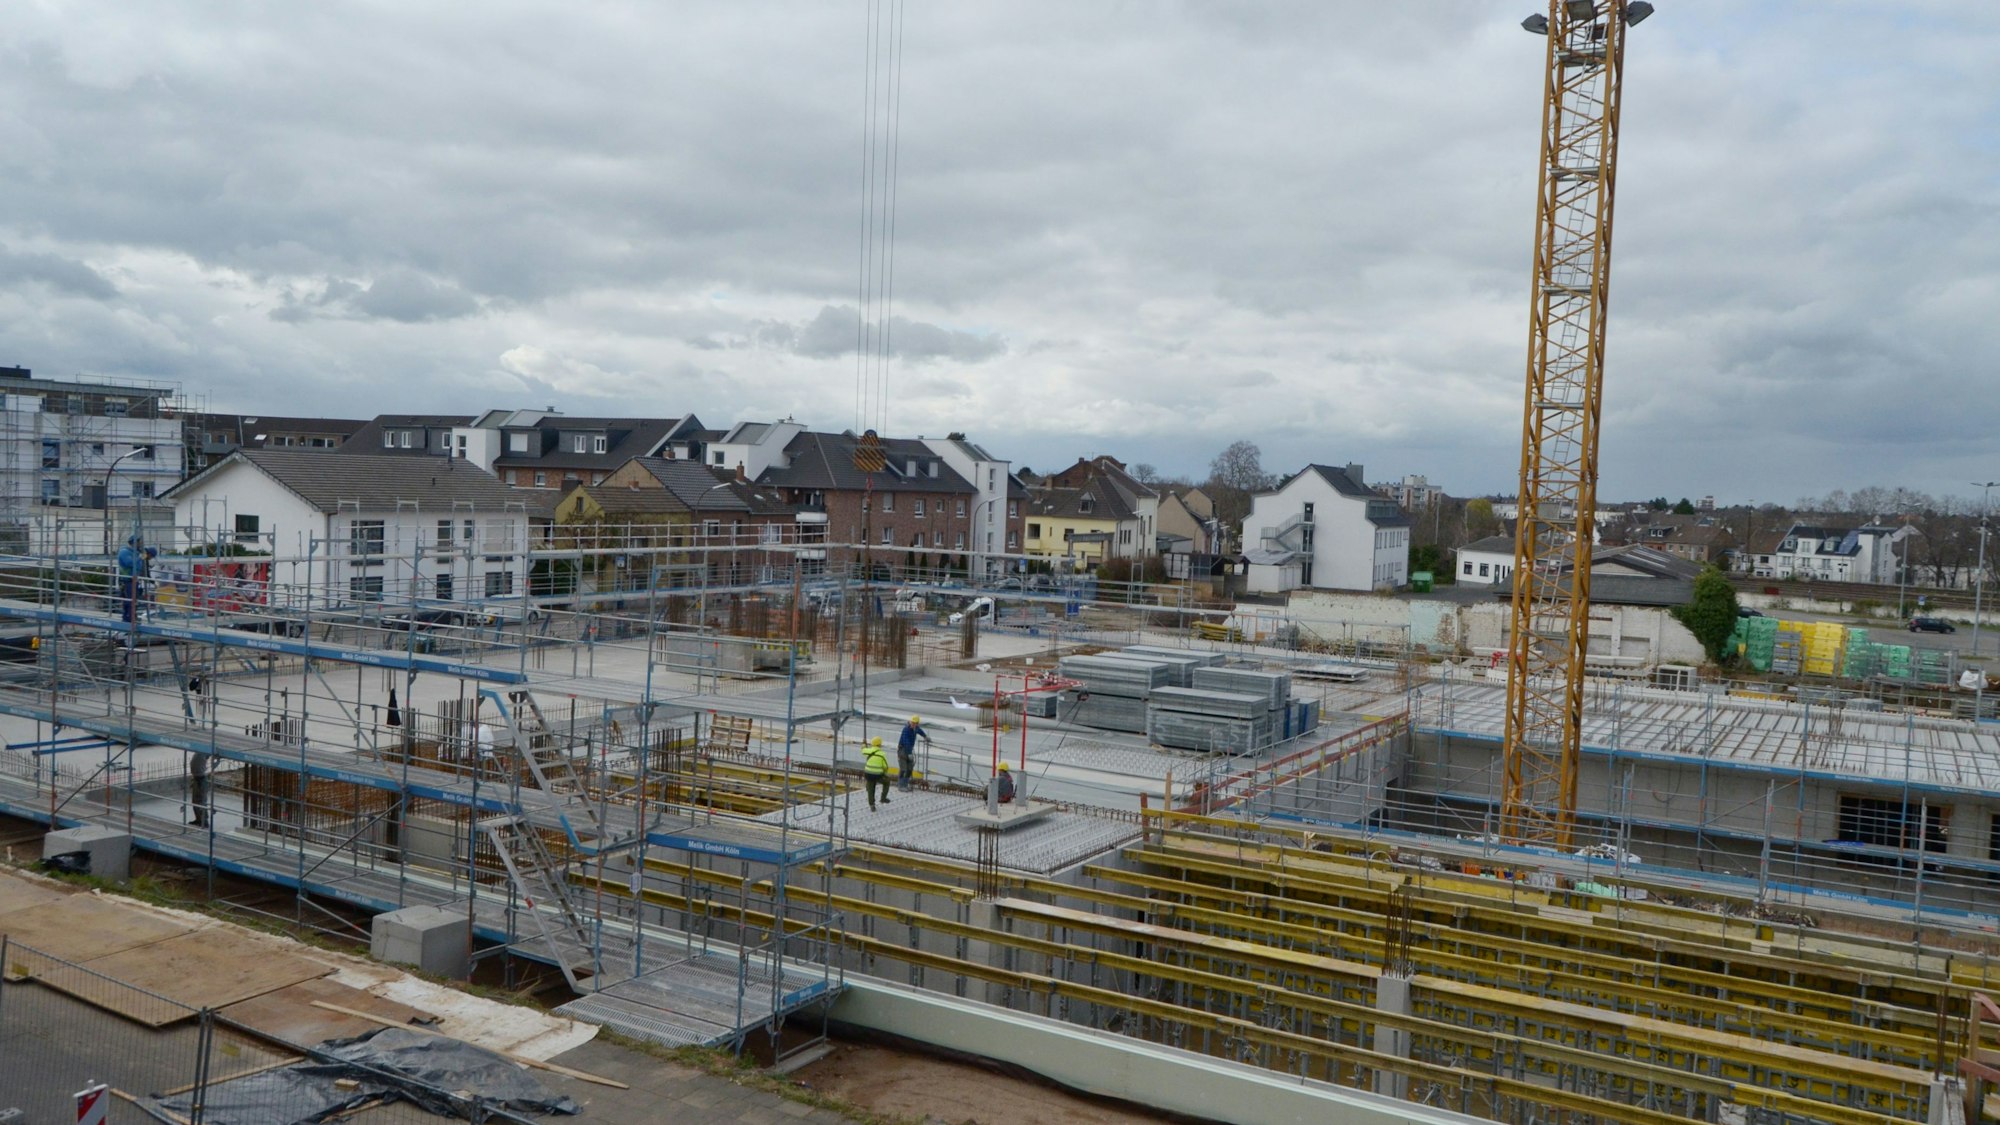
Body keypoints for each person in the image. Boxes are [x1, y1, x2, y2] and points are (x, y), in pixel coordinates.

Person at [896, 715, 931, 790]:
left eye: (915, 723)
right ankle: (900, 785)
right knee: (903, 769)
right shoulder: (906, 729)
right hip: (902, 750)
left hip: (909, 750)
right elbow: (906, 742)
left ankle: (905, 785)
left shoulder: (916, 728)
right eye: (912, 722)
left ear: (917, 723)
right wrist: (909, 753)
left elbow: (920, 731)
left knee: (909, 769)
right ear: (910, 722)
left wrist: (925, 736)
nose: (913, 724)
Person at [862, 737, 891, 810]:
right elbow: (885, 766)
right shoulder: (882, 754)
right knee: (887, 782)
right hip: (878, 775)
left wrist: (864, 744)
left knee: (871, 788)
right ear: (880, 745)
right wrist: (884, 773)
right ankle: (883, 798)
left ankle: (872, 805)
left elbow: (863, 750)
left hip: (868, 774)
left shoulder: (868, 751)